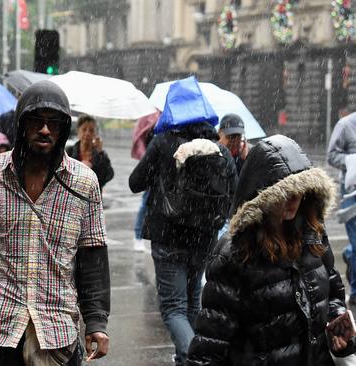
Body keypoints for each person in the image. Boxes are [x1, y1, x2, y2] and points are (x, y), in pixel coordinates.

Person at [0, 81, 110, 365]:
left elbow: (93, 258)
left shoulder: (84, 183)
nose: (45, 129)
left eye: (54, 123)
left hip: (57, 331)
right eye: (36, 120)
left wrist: (97, 322)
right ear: (21, 123)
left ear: (64, 129)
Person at [188, 135, 354, 366]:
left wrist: (338, 327)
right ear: (262, 196)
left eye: (300, 190)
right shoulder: (235, 254)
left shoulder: (313, 234)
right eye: (285, 193)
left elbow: (333, 292)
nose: (294, 200)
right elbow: (210, 344)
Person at [128, 77, 236, 366]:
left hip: (168, 237)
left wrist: (160, 170)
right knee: (191, 304)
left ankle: (196, 359)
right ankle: (185, 359)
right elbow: (232, 194)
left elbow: (135, 182)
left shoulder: (163, 143)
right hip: (204, 240)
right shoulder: (220, 149)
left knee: (173, 308)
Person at [328, 111, 356, 305]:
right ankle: (355, 291)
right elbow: (331, 155)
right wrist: (350, 161)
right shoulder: (345, 125)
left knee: (355, 246)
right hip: (351, 193)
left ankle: (348, 253)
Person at [131, 111, 160, 253]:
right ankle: (138, 235)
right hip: (152, 166)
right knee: (146, 201)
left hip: (163, 166)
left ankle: (144, 235)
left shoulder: (168, 117)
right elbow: (140, 136)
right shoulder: (149, 116)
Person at [66, 115, 114, 190]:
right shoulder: (69, 152)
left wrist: (100, 152)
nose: (87, 133)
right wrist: (80, 169)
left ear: (95, 133)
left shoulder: (100, 154)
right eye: (84, 129)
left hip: (92, 196)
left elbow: (108, 176)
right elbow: (63, 176)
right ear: (78, 131)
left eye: (91, 130)